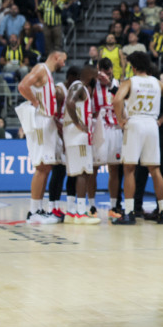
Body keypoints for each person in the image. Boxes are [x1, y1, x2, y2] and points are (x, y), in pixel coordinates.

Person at [111, 52, 163, 225]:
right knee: (155, 170)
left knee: (129, 169)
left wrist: (120, 119)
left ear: (133, 67)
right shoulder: (156, 82)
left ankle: (129, 212)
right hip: (151, 124)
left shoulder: (130, 81)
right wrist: (160, 120)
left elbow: (117, 100)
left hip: (135, 123)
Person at [16, 48, 68, 224]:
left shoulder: (47, 73)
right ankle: (33, 211)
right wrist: (35, 102)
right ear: (56, 56)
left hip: (47, 122)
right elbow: (22, 86)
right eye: (63, 60)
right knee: (41, 166)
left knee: (46, 167)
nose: (64, 63)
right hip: (40, 122)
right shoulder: (40, 69)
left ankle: (38, 208)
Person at [60, 65, 101, 225]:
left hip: (72, 135)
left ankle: (71, 213)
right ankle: (81, 213)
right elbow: (70, 103)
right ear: (89, 73)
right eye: (96, 73)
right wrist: (78, 124)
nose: (97, 76)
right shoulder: (79, 86)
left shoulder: (76, 86)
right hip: (78, 135)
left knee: (75, 173)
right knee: (83, 173)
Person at [90, 58, 124, 219]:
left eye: (108, 72)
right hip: (98, 128)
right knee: (93, 168)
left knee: (114, 168)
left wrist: (110, 84)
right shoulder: (92, 82)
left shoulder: (117, 84)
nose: (106, 75)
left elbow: (124, 100)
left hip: (115, 129)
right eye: (103, 72)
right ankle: (91, 206)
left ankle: (113, 205)